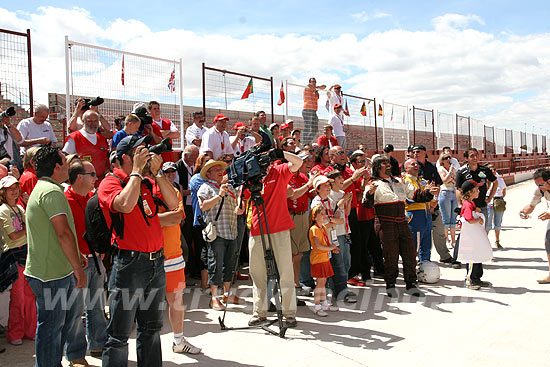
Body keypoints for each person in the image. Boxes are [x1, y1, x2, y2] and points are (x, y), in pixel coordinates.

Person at [98, 134, 179, 367]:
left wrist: (158, 173)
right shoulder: (111, 182)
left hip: (156, 262)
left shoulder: (148, 181)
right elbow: (124, 204)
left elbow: (173, 203)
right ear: (125, 157)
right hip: (130, 263)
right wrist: (135, 172)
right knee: (120, 332)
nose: (145, 154)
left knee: (152, 327)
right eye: (139, 151)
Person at [24, 145, 89, 366]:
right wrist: (79, 271)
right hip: (51, 275)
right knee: (51, 330)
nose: (68, 164)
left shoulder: (44, 188)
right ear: (56, 166)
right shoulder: (52, 192)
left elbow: (55, 232)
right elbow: (62, 233)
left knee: (54, 327)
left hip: (50, 272)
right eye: (64, 160)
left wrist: (76, 255)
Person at [363, 155, 438, 297]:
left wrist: (428, 192)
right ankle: (390, 285)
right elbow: (367, 204)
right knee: (390, 255)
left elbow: (417, 196)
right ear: (378, 168)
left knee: (409, 253)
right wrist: (370, 193)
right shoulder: (372, 184)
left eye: (388, 163)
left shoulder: (400, 181)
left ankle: (411, 284)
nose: (388, 165)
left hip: (402, 222)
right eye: (385, 164)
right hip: (386, 223)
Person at [247, 149, 303, 328]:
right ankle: (259, 312)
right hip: (257, 228)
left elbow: (298, 163)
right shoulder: (251, 176)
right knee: (257, 273)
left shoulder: (278, 171)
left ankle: (289, 314)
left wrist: (280, 152)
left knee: (285, 272)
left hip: (280, 227)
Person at [64, 159, 107, 359]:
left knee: (97, 305)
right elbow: (63, 234)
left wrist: (102, 249)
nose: (96, 179)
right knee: (74, 311)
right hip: (76, 264)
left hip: (96, 260)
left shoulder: (93, 198)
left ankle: (98, 344)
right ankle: (75, 354)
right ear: (79, 177)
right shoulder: (64, 200)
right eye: (92, 175)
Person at [157, 164, 201, 354]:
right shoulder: (143, 189)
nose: (169, 175)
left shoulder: (174, 191)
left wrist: (151, 220)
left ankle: (178, 340)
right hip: (150, 255)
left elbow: (177, 217)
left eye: (171, 172)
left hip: (173, 254)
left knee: (176, 301)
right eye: (165, 172)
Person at [198, 160, 242, 311]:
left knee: (230, 265)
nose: (219, 171)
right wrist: (218, 195)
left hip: (232, 231)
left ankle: (227, 293)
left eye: (220, 169)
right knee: (215, 264)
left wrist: (239, 208)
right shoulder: (205, 187)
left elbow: (238, 201)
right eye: (215, 170)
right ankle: (214, 298)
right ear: (208, 174)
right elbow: (203, 206)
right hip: (217, 233)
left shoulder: (230, 187)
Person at [0, 176, 36, 346]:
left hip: (27, 255)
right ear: (3, 192)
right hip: (14, 257)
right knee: (19, 298)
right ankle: (15, 333)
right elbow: (14, 235)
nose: (14, 190)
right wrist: (29, 226)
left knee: (29, 296)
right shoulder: (3, 210)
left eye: (16, 187)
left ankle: (30, 330)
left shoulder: (20, 208)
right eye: (10, 188)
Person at [411, 145, 460, 268]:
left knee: (439, 231)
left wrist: (434, 203)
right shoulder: (411, 167)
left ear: (424, 153)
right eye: (414, 152)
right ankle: (417, 258)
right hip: (419, 206)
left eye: (418, 151)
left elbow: (438, 185)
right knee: (419, 235)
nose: (416, 153)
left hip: (433, 204)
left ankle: (444, 256)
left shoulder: (432, 167)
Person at [287, 153, 316, 297]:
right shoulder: (289, 176)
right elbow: (293, 195)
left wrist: (317, 187)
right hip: (292, 216)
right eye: (303, 160)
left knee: (299, 253)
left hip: (303, 216)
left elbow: (308, 194)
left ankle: (296, 283)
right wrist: (309, 184)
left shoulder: (303, 177)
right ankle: (293, 284)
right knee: (293, 254)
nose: (306, 163)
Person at [456, 180, 493, 290]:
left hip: (474, 236)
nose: (479, 192)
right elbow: (469, 220)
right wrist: (479, 219)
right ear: (470, 192)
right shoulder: (467, 204)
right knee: (471, 258)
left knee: (477, 255)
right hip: (470, 237)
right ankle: (470, 280)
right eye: (476, 190)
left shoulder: (471, 203)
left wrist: (476, 210)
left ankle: (477, 278)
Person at [455, 147, 497, 233]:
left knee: (484, 231)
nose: (475, 158)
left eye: (476, 155)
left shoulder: (485, 170)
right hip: (469, 207)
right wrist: (460, 204)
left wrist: (490, 198)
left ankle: (482, 246)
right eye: (472, 156)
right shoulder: (461, 172)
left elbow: (495, 182)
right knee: (469, 231)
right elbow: (458, 189)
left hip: (482, 205)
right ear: (466, 158)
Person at [519, 168, 550, 284]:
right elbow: (531, 205)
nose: (539, 187)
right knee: (549, 242)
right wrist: (524, 212)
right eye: (537, 185)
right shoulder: (540, 190)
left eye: (541, 184)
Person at [63, 110, 110, 184]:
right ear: (83, 121)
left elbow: (106, 160)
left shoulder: (102, 138)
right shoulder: (74, 138)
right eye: (89, 121)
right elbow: (65, 160)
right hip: (82, 183)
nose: (93, 124)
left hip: (101, 182)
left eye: (95, 121)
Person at [309, 204, 339, 317]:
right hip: (318, 260)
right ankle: (317, 306)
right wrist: (331, 247)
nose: (324, 216)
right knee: (320, 284)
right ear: (315, 217)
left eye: (325, 213)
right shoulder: (314, 229)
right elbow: (318, 246)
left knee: (323, 283)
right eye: (321, 214)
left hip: (324, 258)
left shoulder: (323, 228)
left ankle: (324, 303)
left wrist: (333, 248)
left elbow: (325, 244)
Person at [403, 158, 434, 262]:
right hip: (415, 216)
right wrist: (426, 193)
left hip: (426, 214)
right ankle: (411, 267)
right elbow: (409, 200)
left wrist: (432, 193)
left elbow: (430, 198)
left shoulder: (422, 180)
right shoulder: (405, 181)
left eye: (417, 163)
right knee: (414, 245)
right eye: (412, 164)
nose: (416, 165)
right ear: (406, 168)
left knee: (427, 243)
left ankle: (425, 266)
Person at [437, 152, 459, 248]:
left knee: (453, 218)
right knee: (446, 218)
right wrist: (450, 172)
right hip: (445, 193)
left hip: (453, 192)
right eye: (446, 158)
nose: (448, 159)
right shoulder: (441, 169)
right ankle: (447, 240)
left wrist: (451, 176)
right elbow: (445, 180)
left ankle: (454, 240)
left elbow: (455, 180)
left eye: (449, 157)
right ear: (442, 159)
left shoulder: (453, 168)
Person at [486, 164, 506, 249]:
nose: (493, 171)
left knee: (498, 222)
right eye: (490, 170)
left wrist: (500, 199)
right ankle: (485, 241)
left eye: (494, 169)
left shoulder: (499, 179)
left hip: (498, 200)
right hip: (489, 201)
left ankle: (497, 241)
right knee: (488, 223)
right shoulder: (486, 180)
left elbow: (504, 190)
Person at [302, 77, 325, 144]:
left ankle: (307, 143)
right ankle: (304, 143)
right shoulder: (307, 87)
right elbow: (309, 86)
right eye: (313, 81)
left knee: (315, 129)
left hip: (314, 111)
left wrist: (317, 88)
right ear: (310, 82)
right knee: (307, 127)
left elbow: (324, 86)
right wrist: (316, 88)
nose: (314, 83)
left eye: (315, 81)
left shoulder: (315, 90)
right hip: (307, 109)